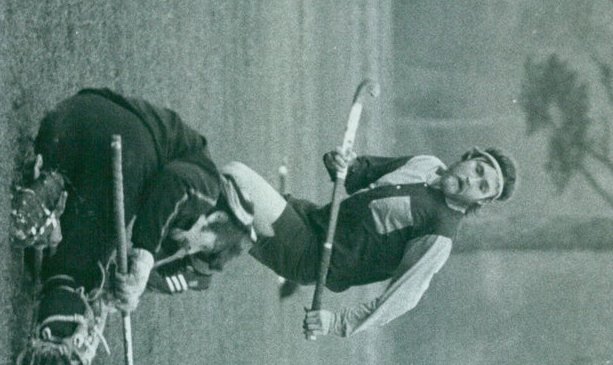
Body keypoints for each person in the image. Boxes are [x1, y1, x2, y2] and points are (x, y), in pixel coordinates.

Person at [11, 88, 257, 365]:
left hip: (68, 125)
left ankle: (52, 190)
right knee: (79, 275)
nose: (187, 245)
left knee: (80, 262)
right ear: (217, 216)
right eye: (200, 242)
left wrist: (120, 291)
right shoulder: (207, 185)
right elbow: (172, 186)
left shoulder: (186, 192)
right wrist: (142, 260)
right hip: (123, 150)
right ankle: (54, 355)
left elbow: (151, 257)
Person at [221, 144, 517, 339]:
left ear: (482, 201)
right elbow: (358, 175)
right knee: (223, 208)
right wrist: (340, 163)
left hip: (311, 255)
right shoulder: (426, 164)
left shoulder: (440, 234)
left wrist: (337, 322)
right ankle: (215, 248)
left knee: (235, 178)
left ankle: (205, 258)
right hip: (309, 217)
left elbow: (403, 298)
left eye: (482, 187)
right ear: (468, 158)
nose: (472, 181)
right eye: (478, 170)